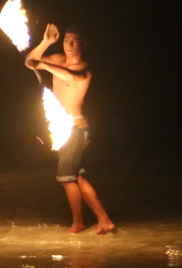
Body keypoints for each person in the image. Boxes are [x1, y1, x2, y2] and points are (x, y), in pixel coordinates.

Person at [25, 24, 115, 234]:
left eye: (75, 41)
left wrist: (43, 65)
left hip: (75, 129)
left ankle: (78, 224)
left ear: (84, 44)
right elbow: (30, 62)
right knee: (76, 177)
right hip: (62, 129)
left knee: (67, 178)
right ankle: (104, 221)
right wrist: (46, 42)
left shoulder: (84, 68)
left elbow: (70, 76)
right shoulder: (57, 59)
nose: (70, 45)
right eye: (67, 40)